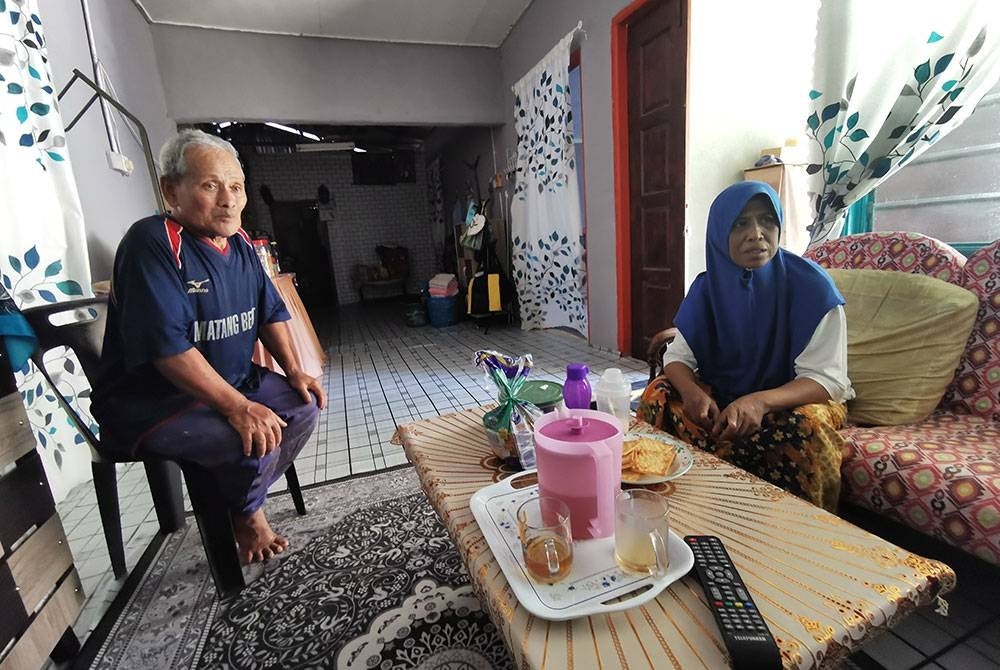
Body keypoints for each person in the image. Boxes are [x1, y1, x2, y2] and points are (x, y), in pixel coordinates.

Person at [92, 129, 327, 562]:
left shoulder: (238, 244)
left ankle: (238, 500)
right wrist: (237, 407)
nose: (229, 200)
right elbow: (167, 348)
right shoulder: (152, 242)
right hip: (156, 401)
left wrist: (294, 370)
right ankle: (245, 517)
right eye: (210, 185)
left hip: (236, 380)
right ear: (170, 190)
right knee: (242, 436)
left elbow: (271, 314)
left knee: (302, 406)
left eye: (236, 187)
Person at [637, 181, 853, 511]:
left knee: (809, 427)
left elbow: (827, 380)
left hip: (790, 403)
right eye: (741, 223)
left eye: (767, 220)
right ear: (719, 232)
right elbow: (678, 358)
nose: (756, 234)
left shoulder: (813, 289)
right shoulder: (706, 289)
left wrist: (759, 402)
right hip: (724, 404)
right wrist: (694, 394)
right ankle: (673, 509)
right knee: (659, 395)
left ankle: (805, 532)